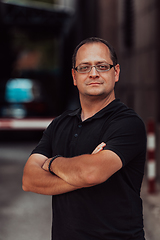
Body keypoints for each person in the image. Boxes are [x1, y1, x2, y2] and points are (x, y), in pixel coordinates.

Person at [22, 37, 146, 240]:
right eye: (84, 67)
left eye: (102, 66)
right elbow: (29, 179)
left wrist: (51, 163)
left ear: (115, 73)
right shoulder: (59, 124)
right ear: (74, 76)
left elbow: (91, 173)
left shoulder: (128, 123)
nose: (94, 73)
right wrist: (82, 173)